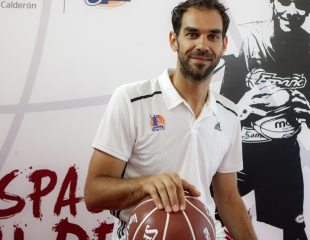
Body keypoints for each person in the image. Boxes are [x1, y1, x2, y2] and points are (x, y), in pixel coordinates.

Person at [84, 0, 257, 240]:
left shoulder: (229, 114)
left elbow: (227, 197)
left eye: (213, 37)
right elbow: (93, 194)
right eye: (192, 34)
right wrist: (146, 185)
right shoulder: (132, 100)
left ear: (224, 44)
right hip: (142, 234)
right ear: (174, 40)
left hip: (204, 233)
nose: (202, 45)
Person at [219, 0, 310, 239]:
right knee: (213, 219)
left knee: (294, 231)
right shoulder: (243, 37)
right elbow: (197, 93)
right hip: (237, 154)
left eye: (301, 4)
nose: (292, 11)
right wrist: (238, 110)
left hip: (282, 155)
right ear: (272, 3)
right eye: (285, 1)